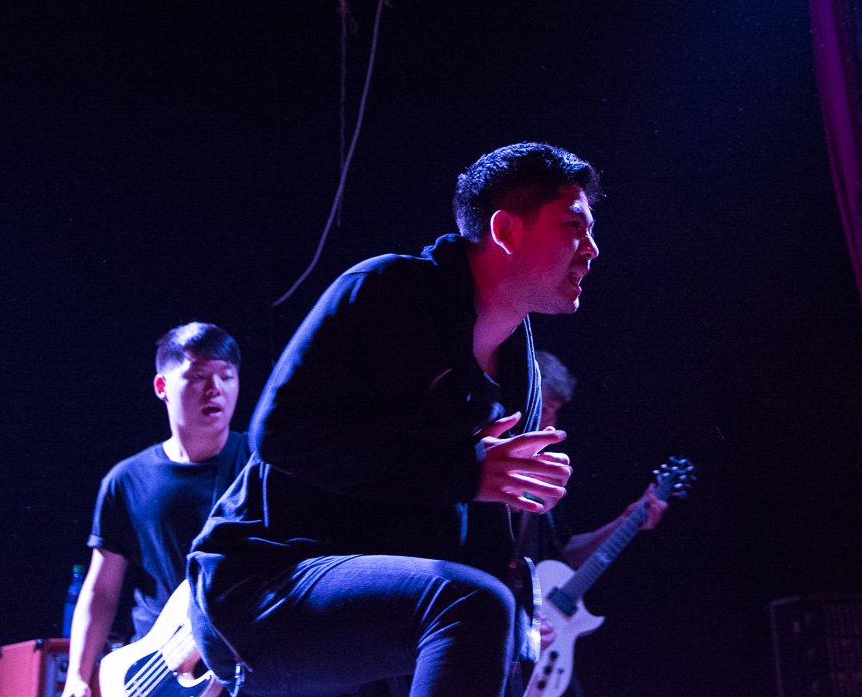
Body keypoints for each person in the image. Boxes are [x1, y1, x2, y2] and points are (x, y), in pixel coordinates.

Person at [186, 142, 600, 697]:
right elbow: (279, 434)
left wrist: (519, 619)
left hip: (384, 599)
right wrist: (464, 474)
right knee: (469, 606)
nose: (591, 248)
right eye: (573, 226)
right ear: (505, 230)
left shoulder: (518, 360)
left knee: (495, 627)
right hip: (265, 583)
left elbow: (478, 531)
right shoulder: (387, 290)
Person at [63, 322, 249, 697]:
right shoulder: (126, 480)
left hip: (244, 663)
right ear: (162, 386)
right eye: (199, 376)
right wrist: (77, 678)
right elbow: (102, 589)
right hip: (154, 673)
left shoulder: (259, 465)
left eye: (226, 376)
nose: (215, 388)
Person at [531, 350, 668, 572]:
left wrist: (624, 523)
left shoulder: (540, 474)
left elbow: (561, 561)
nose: (552, 424)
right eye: (546, 409)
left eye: (555, 411)